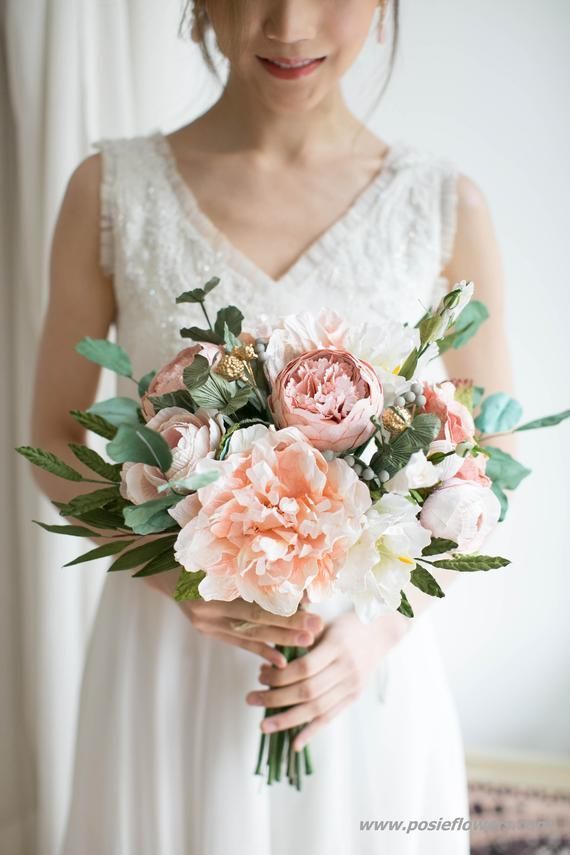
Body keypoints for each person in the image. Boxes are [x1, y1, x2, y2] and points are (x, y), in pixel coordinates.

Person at [31, 1, 514, 852]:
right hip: (167, 656)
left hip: (358, 671)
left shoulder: (445, 203)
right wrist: (178, 576)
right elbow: (54, 435)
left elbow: (492, 453)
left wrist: (374, 635)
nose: (288, 25)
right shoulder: (111, 191)